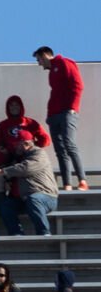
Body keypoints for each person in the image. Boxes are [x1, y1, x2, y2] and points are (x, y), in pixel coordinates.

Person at [34, 46, 87, 190]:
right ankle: (67, 183)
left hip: (67, 113)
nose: (39, 63)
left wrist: (72, 108)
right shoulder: (51, 72)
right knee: (60, 150)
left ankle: (82, 180)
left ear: (45, 55)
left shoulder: (64, 63)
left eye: (39, 59)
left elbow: (78, 85)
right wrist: (50, 115)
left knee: (69, 144)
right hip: (54, 115)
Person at [0, 134, 58, 235]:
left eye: (16, 145)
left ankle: (44, 233)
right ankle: (16, 234)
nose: (14, 147)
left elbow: (26, 168)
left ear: (26, 144)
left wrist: (2, 171)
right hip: (25, 199)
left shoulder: (39, 153)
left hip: (46, 197)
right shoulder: (18, 157)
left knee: (34, 199)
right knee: (6, 205)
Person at [0, 93, 49, 165]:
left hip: (27, 154)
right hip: (9, 155)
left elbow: (46, 139)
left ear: (21, 107)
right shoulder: (2, 125)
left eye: (16, 105)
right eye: (11, 105)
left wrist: (31, 146)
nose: (14, 107)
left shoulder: (30, 122)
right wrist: (2, 149)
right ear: (8, 108)